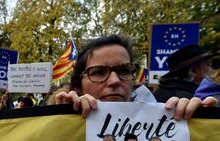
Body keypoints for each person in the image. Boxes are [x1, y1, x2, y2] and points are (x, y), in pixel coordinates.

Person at [55, 35, 217, 120]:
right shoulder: (61, 124)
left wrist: (197, 123)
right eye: (98, 72)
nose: (114, 81)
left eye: (124, 70)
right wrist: (61, 117)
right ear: (78, 86)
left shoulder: (167, 118)